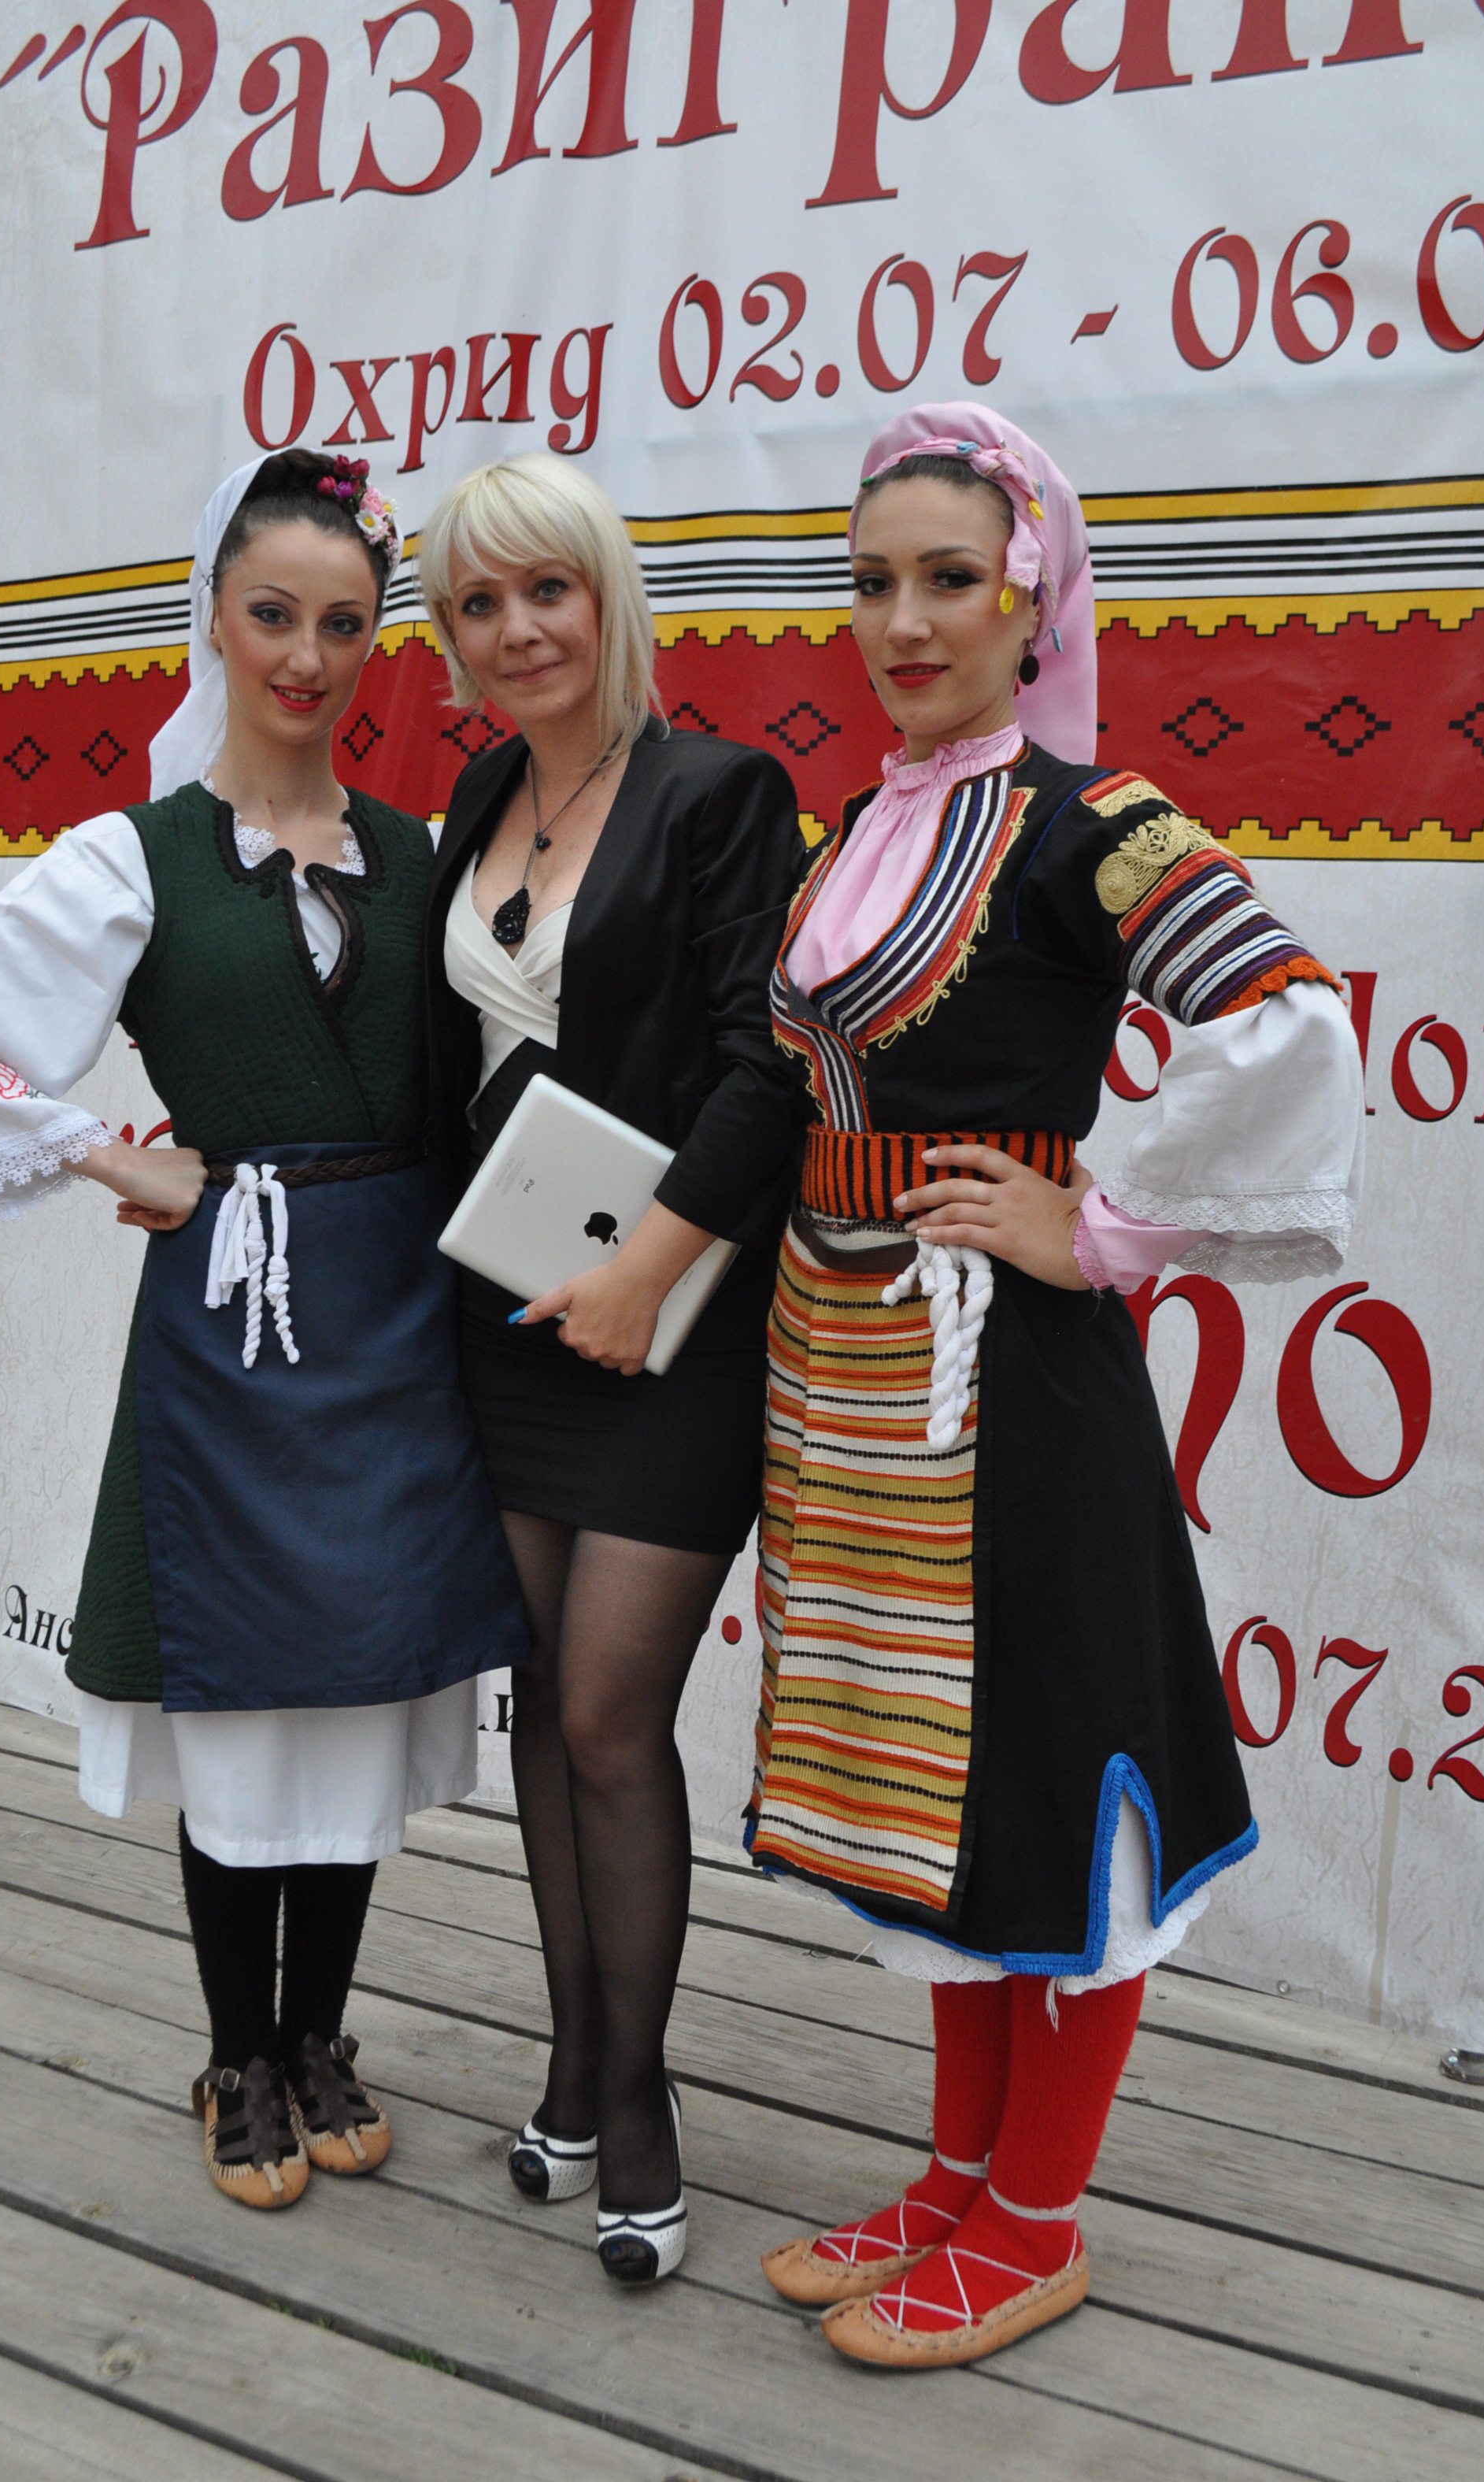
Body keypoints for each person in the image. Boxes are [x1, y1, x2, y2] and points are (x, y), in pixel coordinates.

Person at [746, 403, 1364, 2367]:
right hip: (851, 1368)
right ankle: (956, 2179)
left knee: (1051, 1762)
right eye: (874, 583)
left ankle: (1035, 2218)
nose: (906, 622)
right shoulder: (856, 835)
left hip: (1011, 1382)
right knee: (935, 1781)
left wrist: (1100, 1228)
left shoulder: (1099, 822)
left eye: (953, 579)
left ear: (1037, 602)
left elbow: (1285, 1017)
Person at [0, 449, 527, 2211]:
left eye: (344, 626)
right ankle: (239, 2053)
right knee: (242, 1696)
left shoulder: (423, 857)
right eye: (273, 614)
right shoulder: (131, 860)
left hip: (399, 1323)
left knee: (362, 1691)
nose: (306, 657)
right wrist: (101, 1154)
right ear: (214, 617)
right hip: (235, 1318)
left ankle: (321, 2037)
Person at [417, 451, 808, 2283]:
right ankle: (572, 2064)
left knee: (604, 1717)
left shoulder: (722, 791)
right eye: (479, 603)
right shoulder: (477, 794)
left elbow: (766, 1066)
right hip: (506, 1328)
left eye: (546, 589)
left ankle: (641, 2103)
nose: (518, 629)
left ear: (607, 594)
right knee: (539, 1714)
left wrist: (648, 1273)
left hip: (673, 1326)